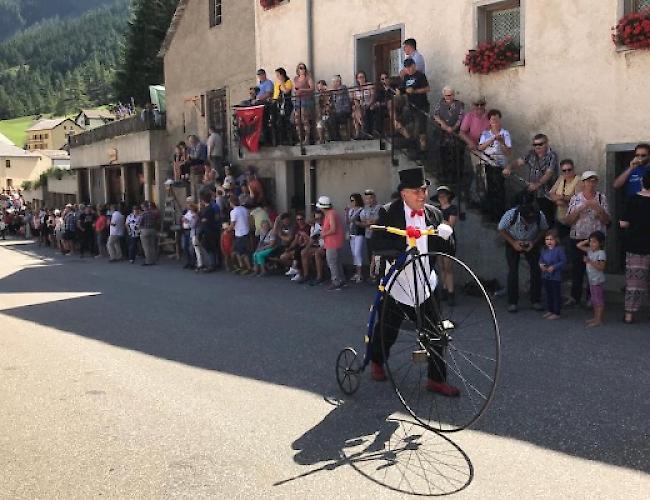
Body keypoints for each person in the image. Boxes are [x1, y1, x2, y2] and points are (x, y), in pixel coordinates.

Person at [369, 168, 459, 397]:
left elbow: (446, 251)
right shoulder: (388, 212)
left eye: (424, 190)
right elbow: (377, 245)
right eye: (416, 191)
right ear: (404, 194)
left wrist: (447, 236)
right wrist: (404, 248)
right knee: (387, 330)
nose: (422, 195)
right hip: (398, 285)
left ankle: (436, 379)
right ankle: (377, 361)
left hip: (425, 283)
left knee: (437, 333)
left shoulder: (434, 214)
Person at [564, 171, 611, 307]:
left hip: (595, 240)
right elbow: (567, 220)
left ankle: (592, 298)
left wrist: (599, 209)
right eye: (588, 181)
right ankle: (575, 297)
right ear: (583, 182)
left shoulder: (602, 198)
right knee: (577, 269)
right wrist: (581, 208)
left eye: (593, 181)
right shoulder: (575, 199)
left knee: (594, 269)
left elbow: (607, 220)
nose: (590, 183)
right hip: (578, 237)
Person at [498, 203, 549, 313]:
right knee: (513, 271)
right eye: (528, 220)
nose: (530, 222)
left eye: (532, 220)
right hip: (513, 240)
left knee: (536, 269)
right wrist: (513, 243)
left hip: (531, 240)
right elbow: (501, 229)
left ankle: (536, 300)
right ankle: (512, 302)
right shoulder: (511, 215)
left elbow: (544, 229)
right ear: (522, 217)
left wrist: (533, 242)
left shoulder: (540, 216)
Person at [505, 133, 559, 224]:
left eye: (540, 144)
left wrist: (537, 184)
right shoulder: (531, 153)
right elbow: (518, 162)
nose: (537, 147)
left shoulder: (552, 156)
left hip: (546, 191)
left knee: (546, 216)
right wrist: (509, 167)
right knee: (515, 201)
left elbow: (548, 174)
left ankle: (547, 235)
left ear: (546, 143)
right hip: (531, 187)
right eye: (535, 145)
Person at [619, 172, 650, 324]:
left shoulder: (632, 199)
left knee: (633, 282)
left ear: (643, 182)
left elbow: (623, 223)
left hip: (635, 244)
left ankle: (629, 315)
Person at [478, 109, 512, 221]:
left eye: (497, 119)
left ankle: (500, 215)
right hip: (488, 164)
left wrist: (501, 141)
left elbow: (508, 152)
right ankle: (492, 214)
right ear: (489, 121)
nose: (495, 122)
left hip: (500, 166)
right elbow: (480, 147)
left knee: (500, 190)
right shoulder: (485, 133)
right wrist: (492, 138)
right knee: (490, 189)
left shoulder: (505, 133)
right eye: (493, 120)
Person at [432, 186, 459, 306]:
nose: (441, 198)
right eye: (440, 196)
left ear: (448, 197)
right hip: (438, 241)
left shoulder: (453, 209)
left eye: (444, 195)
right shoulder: (436, 209)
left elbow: (450, 225)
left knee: (448, 268)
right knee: (441, 267)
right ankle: (444, 289)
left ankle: (451, 292)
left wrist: (440, 221)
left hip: (448, 240)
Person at [433, 86, 465, 182]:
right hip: (442, 133)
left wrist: (453, 128)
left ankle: (457, 176)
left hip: (455, 133)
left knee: (457, 154)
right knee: (442, 154)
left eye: (450, 95)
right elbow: (435, 115)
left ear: (453, 95)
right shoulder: (440, 103)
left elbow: (460, 117)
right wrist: (444, 125)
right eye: (446, 95)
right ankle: (444, 175)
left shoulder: (460, 104)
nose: (448, 97)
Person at [401, 58, 430, 164]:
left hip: (421, 106)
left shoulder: (420, 75)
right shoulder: (406, 77)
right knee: (411, 128)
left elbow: (427, 89)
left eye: (410, 66)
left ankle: (421, 152)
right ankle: (415, 149)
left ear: (414, 65)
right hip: (410, 106)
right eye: (407, 68)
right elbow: (403, 89)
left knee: (420, 130)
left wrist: (415, 91)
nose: (409, 69)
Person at [577, 232, 607, 327]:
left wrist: (589, 261)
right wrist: (588, 240)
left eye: (594, 242)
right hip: (591, 280)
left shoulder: (601, 253)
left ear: (600, 243)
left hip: (597, 280)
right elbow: (578, 245)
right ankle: (595, 317)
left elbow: (601, 267)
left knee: (598, 300)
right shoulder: (590, 250)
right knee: (594, 300)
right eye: (590, 242)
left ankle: (599, 320)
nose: (591, 244)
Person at [317, 195, 346, 290]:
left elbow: (333, 229)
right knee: (337, 262)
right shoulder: (332, 213)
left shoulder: (330, 214)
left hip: (332, 242)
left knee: (332, 262)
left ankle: (336, 281)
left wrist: (323, 234)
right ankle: (341, 280)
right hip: (336, 242)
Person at [549, 159, 580, 238]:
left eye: (569, 170)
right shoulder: (561, 178)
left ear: (573, 169)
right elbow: (551, 194)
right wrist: (562, 198)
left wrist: (560, 198)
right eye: (564, 170)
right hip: (560, 218)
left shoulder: (578, 180)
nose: (567, 172)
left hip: (573, 219)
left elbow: (577, 198)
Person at [539, 230, 566, 320]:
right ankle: (550, 310)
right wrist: (541, 265)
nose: (549, 241)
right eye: (547, 239)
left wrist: (554, 267)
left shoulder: (559, 250)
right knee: (548, 294)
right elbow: (541, 259)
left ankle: (557, 312)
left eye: (551, 239)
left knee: (556, 294)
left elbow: (563, 261)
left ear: (556, 240)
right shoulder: (544, 249)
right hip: (546, 275)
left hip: (556, 276)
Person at [358, 189, 382, 282]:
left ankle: (377, 275)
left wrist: (368, 222)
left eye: (371, 198)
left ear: (374, 198)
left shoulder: (379, 208)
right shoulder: (365, 209)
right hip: (368, 235)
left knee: (376, 256)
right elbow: (363, 222)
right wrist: (367, 222)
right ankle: (372, 275)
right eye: (367, 198)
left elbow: (375, 221)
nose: (369, 200)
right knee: (370, 255)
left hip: (377, 235)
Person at [301, 210, 326, 285]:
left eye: (320, 218)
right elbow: (314, 238)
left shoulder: (327, 224)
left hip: (327, 246)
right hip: (319, 246)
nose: (318, 220)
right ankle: (306, 275)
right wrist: (307, 248)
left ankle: (319, 277)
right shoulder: (316, 225)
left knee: (317, 253)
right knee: (304, 252)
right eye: (316, 219)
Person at [293, 62, 315, 145]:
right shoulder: (295, 78)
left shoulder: (308, 78)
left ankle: (307, 139)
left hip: (306, 100)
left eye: (303, 68)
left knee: (304, 119)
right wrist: (296, 91)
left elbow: (312, 88)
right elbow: (295, 89)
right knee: (297, 120)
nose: (302, 69)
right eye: (300, 68)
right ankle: (300, 139)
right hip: (298, 100)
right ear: (298, 69)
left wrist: (302, 90)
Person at [230, 195, 252, 274]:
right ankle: (241, 265)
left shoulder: (233, 212)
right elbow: (249, 219)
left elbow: (232, 224)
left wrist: (228, 229)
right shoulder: (244, 209)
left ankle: (248, 267)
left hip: (240, 233)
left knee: (242, 252)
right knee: (236, 250)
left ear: (231, 203)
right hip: (246, 231)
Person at [198, 193, 220, 273]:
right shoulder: (212, 208)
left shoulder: (207, 210)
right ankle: (214, 263)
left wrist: (200, 233)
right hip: (213, 230)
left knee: (209, 248)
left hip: (208, 231)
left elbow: (204, 222)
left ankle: (212, 265)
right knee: (213, 248)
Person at [273, 67, 294, 145]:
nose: (277, 77)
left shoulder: (288, 82)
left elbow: (286, 91)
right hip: (279, 105)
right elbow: (275, 94)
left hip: (287, 104)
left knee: (287, 122)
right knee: (279, 123)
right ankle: (281, 140)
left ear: (282, 74)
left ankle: (290, 140)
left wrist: (282, 82)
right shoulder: (276, 83)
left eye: (278, 75)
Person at [347, 193, 365, 283]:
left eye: (353, 200)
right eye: (351, 200)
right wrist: (346, 213)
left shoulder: (362, 210)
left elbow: (363, 223)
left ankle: (360, 273)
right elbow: (348, 222)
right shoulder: (351, 211)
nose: (351, 202)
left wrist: (357, 222)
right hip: (352, 234)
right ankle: (356, 273)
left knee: (357, 253)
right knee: (354, 253)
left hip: (359, 234)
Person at [328, 75, 352, 141]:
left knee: (333, 118)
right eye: (333, 82)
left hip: (345, 111)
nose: (333, 84)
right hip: (338, 113)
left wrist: (329, 89)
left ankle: (337, 138)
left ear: (338, 82)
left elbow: (338, 91)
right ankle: (333, 138)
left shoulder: (343, 88)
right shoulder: (333, 93)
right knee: (328, 120)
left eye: (334, 82)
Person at [352, 71, 374, 139]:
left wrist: (368, 104)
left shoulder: (369, 86)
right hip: (360, 107)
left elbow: (373, 97)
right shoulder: (356, 89)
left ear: (365, 78)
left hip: (369, 105)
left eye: (362, 77)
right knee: (356, 111)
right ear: (357, 79)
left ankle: (359, 132)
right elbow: (355, 100)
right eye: (359, 77)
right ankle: (362, 132)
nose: (361, 79)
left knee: (356, 113)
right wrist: (358, 105)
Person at [139, 201, 160, 266]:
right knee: (152, 246)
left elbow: (140, 223)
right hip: (153, 230)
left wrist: (139, 229)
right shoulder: (153, 213)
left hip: (145, 230)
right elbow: (157, 220)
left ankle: (148, 261)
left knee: (146, 247)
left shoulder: (143, 214)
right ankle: (153, 260)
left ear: (143, 207)